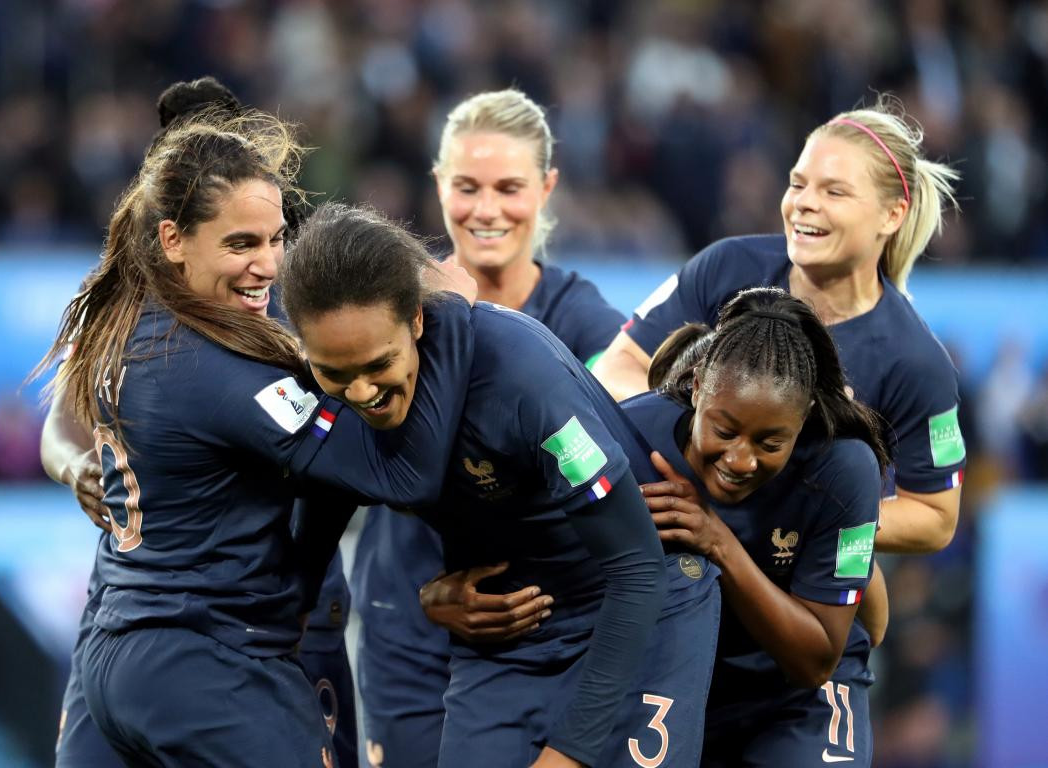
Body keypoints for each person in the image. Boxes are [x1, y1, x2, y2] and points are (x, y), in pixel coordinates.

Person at [36, 106, 478, 767]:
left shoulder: (125, 320)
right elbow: (399, 475)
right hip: (210, 660)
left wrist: (75, 467)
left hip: (120, 645)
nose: (268, 265)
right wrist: (450, 318)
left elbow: (64, 419)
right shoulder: (225, 373)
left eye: (276, 240)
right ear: (172, 237)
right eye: (242, 244)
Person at [280, 202, 720, 768]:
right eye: (335, 374)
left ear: (416, 320)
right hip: (508, 632)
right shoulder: (324, 393)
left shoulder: (520, 380)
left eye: (378, 365)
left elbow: (636, 570)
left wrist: (570, 753)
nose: (361, 392)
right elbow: (318, 523)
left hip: (638, 610)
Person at [349, 88, 625, 768]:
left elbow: (630, 478)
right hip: (404, 625)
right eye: (467, 187)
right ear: (439, 183)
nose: (487, 210)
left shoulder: (587, 325)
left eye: (509, 187)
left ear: (548, 187)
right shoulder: (391, 307)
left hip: (542, 639)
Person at [592, 97, 966, 573]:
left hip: (800, 605)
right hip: (679, 570)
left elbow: (935, 517)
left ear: (891, 215)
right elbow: (617, 367)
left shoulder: (915, 360)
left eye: (834, 192)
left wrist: (807, 513)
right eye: (798, 183)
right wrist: (707, 438)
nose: (804, 202)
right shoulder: (725, 266)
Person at [629, 287, 890, 765]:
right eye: (724, 431)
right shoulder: (633, 437)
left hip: (796, 698)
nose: (740, 460)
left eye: (770, 443)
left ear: (805, 415)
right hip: (676, 683)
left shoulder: (844, 470)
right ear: (696, 385)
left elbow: (817, 661)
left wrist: (718, 543)